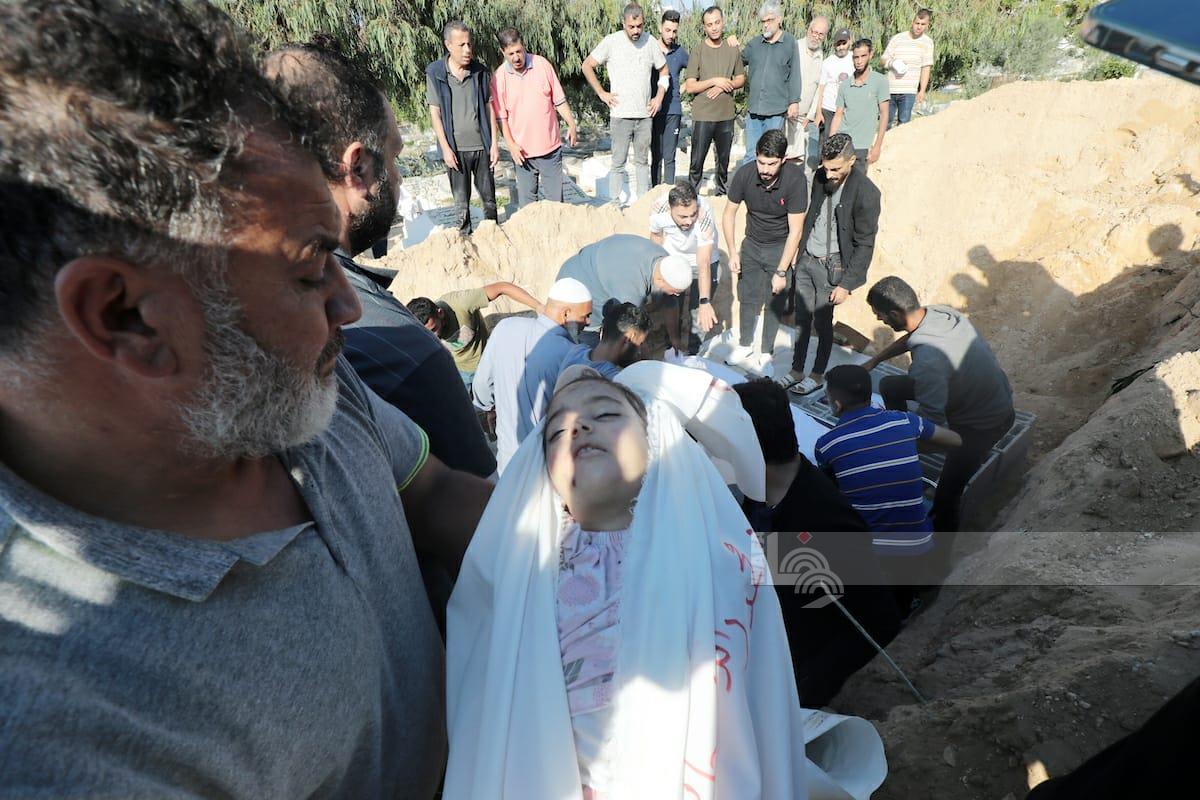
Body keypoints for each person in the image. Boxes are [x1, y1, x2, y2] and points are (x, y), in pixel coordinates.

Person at [0, 1, 495, 796]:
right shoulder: (62, 734)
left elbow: (434, 495)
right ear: (125, 317)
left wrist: (595, 532)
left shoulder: (292, 382)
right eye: (309, 268)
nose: (348, 305)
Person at [445, 366, 811, 797]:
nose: (578, 426)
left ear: (657, 441)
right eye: (556, 432)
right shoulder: (524, 574)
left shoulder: (714, 552)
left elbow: (758, 689)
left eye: (605, 415)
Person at [267, 40, 497, 478]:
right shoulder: (410, 354)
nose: (397, 176)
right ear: (357, 168)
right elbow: (476, 502)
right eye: (393, 157)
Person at [734, 379, 902, 707]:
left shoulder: (826, 523)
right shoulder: (759, 492)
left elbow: (878, 622)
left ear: (746, 449)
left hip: (799, 665)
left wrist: (804, 690)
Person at [864, 277, 1015, 538]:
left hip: (984, 424)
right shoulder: (939, 314)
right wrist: (875, 360)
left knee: (946, 497)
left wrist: (895, 446)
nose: (879, 319)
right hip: (975, 391)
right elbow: (912, 339)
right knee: (890, 386)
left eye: (880, 314)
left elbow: (931, 425)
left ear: (895, 314)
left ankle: (940, 553)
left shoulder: (927, 364)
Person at [776, 133, 881, 396]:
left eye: (836, 169)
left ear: (852, 161)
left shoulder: (867, 193)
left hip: (831, 267)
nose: (829, 174)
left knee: (823, 323)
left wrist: (846, 284)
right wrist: (797, 253)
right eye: (826, 167)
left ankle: (816, 374)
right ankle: (796, 370)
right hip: (807, 259)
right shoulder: (821, 177)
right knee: (802, 318)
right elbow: (811, 215)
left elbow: (865, 244)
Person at [472, 278, 594, 473]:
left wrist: (490, 408)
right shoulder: (571, 353)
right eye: (585, 316)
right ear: (566, 314)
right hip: (545, 466)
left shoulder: (505, 327)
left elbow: (482, 385)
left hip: (508, 464)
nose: (588, 322)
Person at [722, 128, 807, 373]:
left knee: (774, 302)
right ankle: (745, 344)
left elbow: (796, 230)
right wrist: (733, 251)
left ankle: (767, 352)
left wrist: (781, 271)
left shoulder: (795, 180)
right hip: (751, 245)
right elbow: (729, 214)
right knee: (747, 297)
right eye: (761, 162)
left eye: (771, 164)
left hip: (779, 247)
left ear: (783, 159)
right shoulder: (745, 174)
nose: (765, 169)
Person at [583, 3, 668, 205]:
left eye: (639, 26)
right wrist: (601, 93)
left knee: (642, 162)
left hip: (644, 116)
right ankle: (614, 204)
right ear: (624, 23)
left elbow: (664, 71)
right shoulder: (611, 42)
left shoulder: (650, 42)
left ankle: (642, 205)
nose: (636, 31)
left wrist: (659, 97)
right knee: (618, 163)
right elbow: (587, 65)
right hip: (620, 115)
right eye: (632, 27)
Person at [555, 233, 693, 351]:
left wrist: (675, 339)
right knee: (589, 352)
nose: (676, 295)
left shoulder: (666, 263)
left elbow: (670, 302)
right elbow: (625, 333)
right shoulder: (631, 288)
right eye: (675, 292)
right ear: (660, 280)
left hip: (605, 270)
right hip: (580, 285)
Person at [426, 20, 500, 233]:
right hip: (455, 150)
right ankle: (466, 241)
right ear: (448, 45)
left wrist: (494, 144)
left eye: (469, 44)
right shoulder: (435, 73)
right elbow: (435, 113)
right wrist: (445, 148)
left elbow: (489, 108)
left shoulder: (480, 72)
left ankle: (493, 237)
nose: (468, 49)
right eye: (461, 45)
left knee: (489, 201)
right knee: (461, 206)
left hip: (482, 147)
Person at [491, 26, 578, 206]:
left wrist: (571, 123)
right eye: (511, 54)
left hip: (550, 149)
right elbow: (501, 118)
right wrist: (510, 144)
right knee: (528, 207)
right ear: (502, 52)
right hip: (522, 153)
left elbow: (559, 100)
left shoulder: (542, 65)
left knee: (556, 205)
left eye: (519, 51)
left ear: (524, 46)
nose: (516, 57)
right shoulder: (499, 78)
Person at [407, 281, 544, 391]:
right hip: (460, 371)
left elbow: (502, 287)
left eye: (434, 329)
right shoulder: (418, 331)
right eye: (426, 333)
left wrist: (539, 307)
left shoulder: (461, 303)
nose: (432, 336)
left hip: (487, 362)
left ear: (440, 313)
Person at [649, 180, 721, 353]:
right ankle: (671, 349)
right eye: (682, 217)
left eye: (692, 215)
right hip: (674, 258)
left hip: (703, 260)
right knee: (671, 306)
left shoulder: (704, 213)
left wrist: (705, 301)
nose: (689, 221)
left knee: (699, 311)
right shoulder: (659, 209)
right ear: (670, 208)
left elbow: (703, 262)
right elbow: (656, 238)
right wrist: (660, 268)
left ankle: (695, 353)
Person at [684, 5, 745, 196]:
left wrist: (725, 85)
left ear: (722, 22)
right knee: (697, 161)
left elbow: (741, 78)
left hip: (726, 114)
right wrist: (713, 81)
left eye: (717, 22)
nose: (714, 28)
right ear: (704, 27)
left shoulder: (732, 49)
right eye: (709, 24)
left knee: (723, 161)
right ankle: (691, 196)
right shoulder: (698, 51)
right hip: (703, 115)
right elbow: (690, 86)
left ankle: (722, 196)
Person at [739, 1, 801, 165]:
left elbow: (795, 73)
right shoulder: (754, 44)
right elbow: (736, 62)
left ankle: (769, 182)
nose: (766, 24)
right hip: (754, 109)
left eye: (770, 20)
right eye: (763, 21)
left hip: (776, 110)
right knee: (751, 154)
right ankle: (749, 182)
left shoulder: (790, 42)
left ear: (779, 19)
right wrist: (730, 45)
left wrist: (794, 101)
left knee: (771, 154)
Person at [828, 39, 890, 173]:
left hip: (863, 146)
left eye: (863, 56)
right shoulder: (845, 85)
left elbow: (884, 114)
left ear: (871, 55)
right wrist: (830, 143)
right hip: (843, 144)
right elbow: (838, 115)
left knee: (858, 183)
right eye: (856, 57)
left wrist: (877, 146)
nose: (859, 61)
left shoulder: (880, 81)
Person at [559, 300, 652, 378]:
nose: (640, 352)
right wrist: (645, 366)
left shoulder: (575, 352)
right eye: (641, 343)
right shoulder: (615, 381)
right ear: (628, 339)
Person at [784, 16, 829, 174]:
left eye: (820, 34)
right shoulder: (794, 47)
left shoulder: (821, 55)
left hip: (804, 117)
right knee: (783, 154)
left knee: (800, 160)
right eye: (814, 32)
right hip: (788, 112)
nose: (816, 36)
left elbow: (818, 88)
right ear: (808, 30)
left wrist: (810, 115)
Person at [650, 10, 689, 187]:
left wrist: (683, 88)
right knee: (656, 156)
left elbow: (696, 71)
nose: (671, 35)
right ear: (660, 28)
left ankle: (668, 195)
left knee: (669, 157)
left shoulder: (680, 53)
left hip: (673, 111)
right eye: (668, 30)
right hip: (654, 110)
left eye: (674, 31)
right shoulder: (651, 48)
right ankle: (655, 193)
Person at [881, 8, 934, 128]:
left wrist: (922, 90)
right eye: (917, 23)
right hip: (890, 89)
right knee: (885, 123)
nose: (919, 27)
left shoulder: (927, 42)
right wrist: (892, 63)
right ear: (912, 22)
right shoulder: (898, 38)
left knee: (903, 125)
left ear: (927, 25)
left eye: (923, 24)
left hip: (909, 91)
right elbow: (883, 59)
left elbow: (926, 67)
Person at [813, 28, 855, 160]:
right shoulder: (827, 63)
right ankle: (822, 166)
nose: (841, 47)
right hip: (829, 109)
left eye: (844, 43)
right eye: (838, 44)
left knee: (846, 143)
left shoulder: (855, 59)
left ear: (850, 41)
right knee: (826, 143)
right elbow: (821, 88)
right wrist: (818, 112)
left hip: (848, 109)